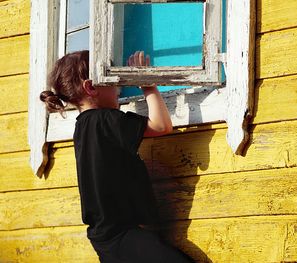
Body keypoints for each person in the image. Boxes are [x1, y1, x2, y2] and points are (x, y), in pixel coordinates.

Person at [39, 50, 195, 263]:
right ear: (91, 87)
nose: (119, 86)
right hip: (122, 235)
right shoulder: (105, 120)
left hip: (107, 238)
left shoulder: (83, 126)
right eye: (112, 80)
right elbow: (162, 126)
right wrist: (146, 83)